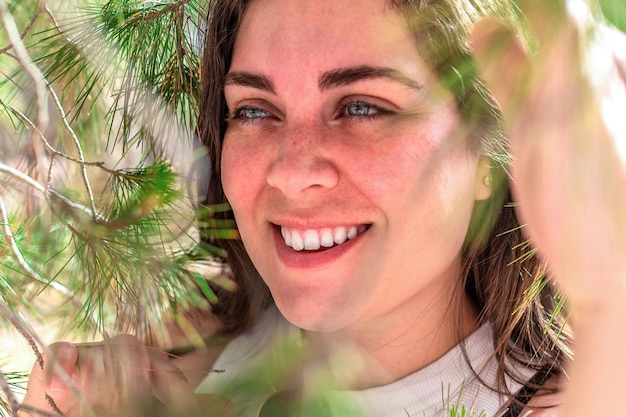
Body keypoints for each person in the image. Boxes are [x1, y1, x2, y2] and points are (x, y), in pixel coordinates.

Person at [19, 0, 626, 416]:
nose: (291, 168)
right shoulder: (188, 346)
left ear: (491, 155)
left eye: (363, 106)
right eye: (255, 110)